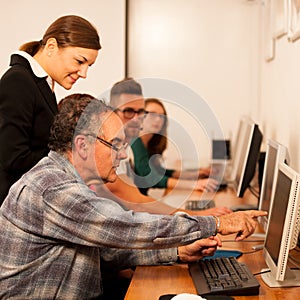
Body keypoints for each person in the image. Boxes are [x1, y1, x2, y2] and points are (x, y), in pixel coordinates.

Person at [0, 93, 267, 299]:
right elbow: (128, 227)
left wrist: (176, 252)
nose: (124, 154)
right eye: (115, 145)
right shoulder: (53, 189)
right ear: (82, 145)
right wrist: (217, 223)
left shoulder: (64, 179)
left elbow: (104, 252)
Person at [0, 15, 101, 204]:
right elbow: (13, 158)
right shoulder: (19, 81)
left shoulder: (42, 85)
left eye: (89, 66)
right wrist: (71, 159)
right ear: (51, 47)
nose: (84, 73)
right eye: (80, 61)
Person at [105, 78, 231, 216]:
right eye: (128, 111)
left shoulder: (125, 148)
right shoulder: (108, 150)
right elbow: (137, 201)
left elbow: (157, 176)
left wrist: (195, 175)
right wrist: (197, 214)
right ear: (113, 112)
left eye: (140, 111)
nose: (136, 119)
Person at [132, 97, 219, 195]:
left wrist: (194, 174)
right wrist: (194, 184)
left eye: (162, 116)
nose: (158, 119)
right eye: (152, 114)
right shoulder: (135, 142)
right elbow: (150, 177)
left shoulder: (150, 144)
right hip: (137, 206)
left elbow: (161, 172)